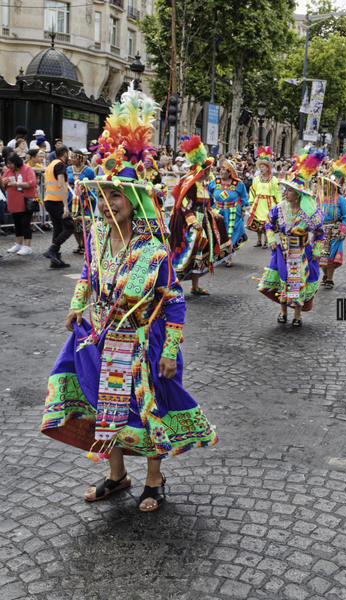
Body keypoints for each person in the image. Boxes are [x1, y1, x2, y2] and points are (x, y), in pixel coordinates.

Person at [40, 90, 218, 512]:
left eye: (115, 197)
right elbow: (88, 274)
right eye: (102, 197)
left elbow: (173, 301)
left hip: (140, 341)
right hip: (97, 336)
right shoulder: (97, 238)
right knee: (105, 407)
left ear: (133, 199)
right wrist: (76, 305)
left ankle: (154, 480)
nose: (106, 205)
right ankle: (116, 475)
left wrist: (171, 351)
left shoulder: (153, 250)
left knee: (146, 407)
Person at [258, 148, 325, 327]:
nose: (285, 192)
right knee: (283, 280)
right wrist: (271, 239)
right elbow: (268, 223)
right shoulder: (279, 208)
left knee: (298, 282)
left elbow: (319, 232)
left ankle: (297, 315)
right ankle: (283, 312)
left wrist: (317, 250)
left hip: (302, 251)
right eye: (285, 189)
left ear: (299, 195)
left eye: (289, 190)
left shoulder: (309, 213)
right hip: (283, 251)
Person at [168, 135, 233, 295]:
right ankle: (173, 285)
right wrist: (192, 221)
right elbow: (183, 203)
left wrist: (214, 213)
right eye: (208, 169)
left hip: (202, 223)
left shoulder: (202, 185)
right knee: (184, 255)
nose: (211, 172)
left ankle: (195, 286)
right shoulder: (191, 184)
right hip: (187, 225)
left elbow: (206, 204)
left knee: (199, 254)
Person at [317, 155, 346, 289]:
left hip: (334, 231)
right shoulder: (319, 198)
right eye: (324, 184)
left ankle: (330, 278)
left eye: (328, 184)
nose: (325, 187)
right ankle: (325, 274)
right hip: (320, 232)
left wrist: (343, 230)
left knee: (331, 257)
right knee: (320, 257)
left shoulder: (340, 200)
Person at [208, 159, 249, 267]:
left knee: (230, 233)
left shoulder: (238, 184)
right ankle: (216, 254)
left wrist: (243, 209)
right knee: (216, 232)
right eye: (220, 169)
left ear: (230, 172)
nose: (221, 172)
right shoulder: (215, 182)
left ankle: (228, 257)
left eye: (224, 170)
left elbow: (244, 197)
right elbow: (206, 194)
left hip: (233, 212)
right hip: (218, 210)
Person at [43, 145, 75, 268]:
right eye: (69, 153)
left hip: (49, 200)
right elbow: (61, 185)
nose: (70, 156)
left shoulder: (51, 164)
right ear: (65, 153)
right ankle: (52, 250)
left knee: (58, 229)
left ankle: (55, 260)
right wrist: (65, 206)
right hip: (56, 202)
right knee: (69, 227)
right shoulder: (61, 165)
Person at [1, 153, 36, 255]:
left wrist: (16, 184)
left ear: (16, 162)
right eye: (7, 163)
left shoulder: (27, 169)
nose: (8, 166)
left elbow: (32, 183)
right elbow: (4, 187)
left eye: (10, 163)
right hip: (13, 200)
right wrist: (2, 181)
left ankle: (27, 246)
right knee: (17, 222)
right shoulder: (8, 171)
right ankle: (18, 244)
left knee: (25, 222)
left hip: (25, 198)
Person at [247, 146, 281, 248]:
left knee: (267, 222)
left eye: (263, 167)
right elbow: (253, 190)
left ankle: (266, 241)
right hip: (258, 203)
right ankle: (258, 240)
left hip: (268, 203)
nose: (261, 169)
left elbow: (277, 192)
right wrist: (251, 201)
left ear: (268, 168)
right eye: (260, 167)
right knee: (257, 222)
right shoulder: (256, 179)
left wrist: (279, 203)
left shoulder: (273, 180)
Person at [70, 149, 97, 255]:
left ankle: (88, 247)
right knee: (74, 224)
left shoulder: (89, 171)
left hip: (86, 200)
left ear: (80, 158)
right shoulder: (68, 169)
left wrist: (92, 196)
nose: (71, 159)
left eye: (74, 157)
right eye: (71, 157)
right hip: (72, 200)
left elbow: (95, 185)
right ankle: (80, 245)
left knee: (86, 224)